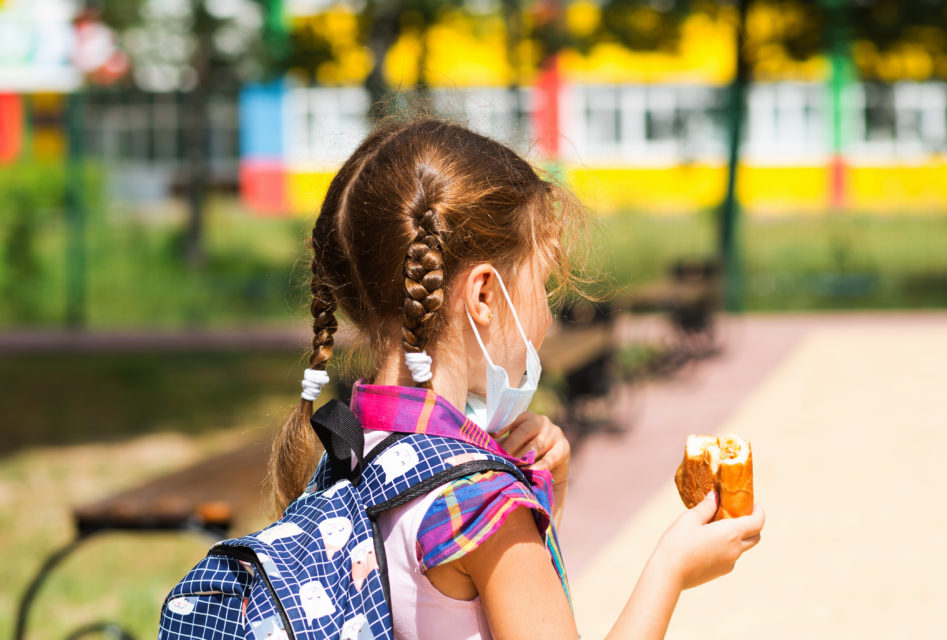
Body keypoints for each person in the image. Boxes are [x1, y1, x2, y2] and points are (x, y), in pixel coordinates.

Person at [268, 116, 766, 639]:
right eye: (543, 285)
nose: (548, 316)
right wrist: (672, 569)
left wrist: (548, 495)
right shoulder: (481, 504)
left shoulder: (344, 452)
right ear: (484, 295)